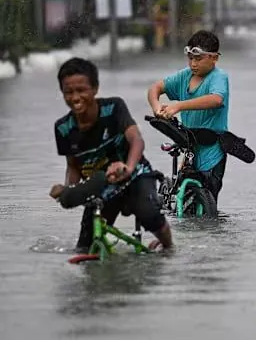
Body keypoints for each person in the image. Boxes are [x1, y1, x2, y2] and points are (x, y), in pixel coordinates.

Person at [50, 57, 173, 252]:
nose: (75, 98)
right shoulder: (63, 128)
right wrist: (67, 189)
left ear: (95, 88)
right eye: (68, 92)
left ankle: (169, 247)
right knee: (84, 249)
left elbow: (136, 140)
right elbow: (73, 165)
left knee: (148, 214)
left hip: (135, 174)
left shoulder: (114, 107)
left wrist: (128, 167)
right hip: (103, 184)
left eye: (81, 90)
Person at [147, 30, 229, 206]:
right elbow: (155, 88)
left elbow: (216, 99)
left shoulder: (219, 77)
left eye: (198, 59)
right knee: (184, 200)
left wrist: (178, 105)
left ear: (214, 58)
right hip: (190, 145)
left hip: (212, 150)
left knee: (208, 201)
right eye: (190, 59)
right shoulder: (184, 76)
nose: (193, 64)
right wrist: (156, 106)